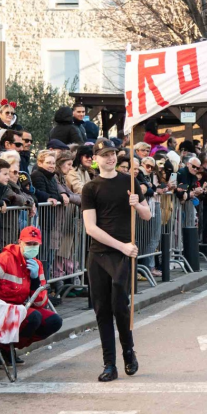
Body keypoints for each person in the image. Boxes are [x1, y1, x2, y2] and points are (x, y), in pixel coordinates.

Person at [81, 138, 149, 382]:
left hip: (123, 255)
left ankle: (128, 352)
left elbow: (147, 214)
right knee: (102, 310)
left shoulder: (130, 181)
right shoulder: (90, 188)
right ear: (95, 159)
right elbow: (90, 227)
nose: (110, 158)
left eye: (113, 154)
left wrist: (137, 205)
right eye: (104, 155)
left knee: (120, 304)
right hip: (100, 253)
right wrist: (121, 245)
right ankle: (109, 364)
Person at [0, 226, 62, 359]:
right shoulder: (5, 258)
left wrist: (35, 281)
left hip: (13, 310)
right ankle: (0, 348)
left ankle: (7, 347)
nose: (32, 247)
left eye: (35, 244)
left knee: (53, 321)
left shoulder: (36, 265)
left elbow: (41, 303)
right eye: (28, 244)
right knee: (34, 317)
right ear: (19, 242)